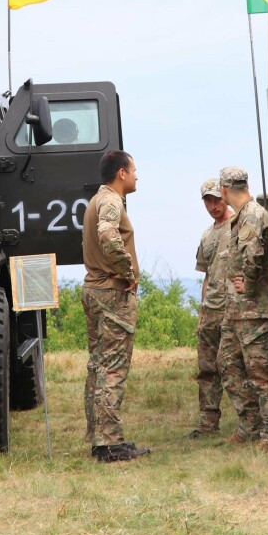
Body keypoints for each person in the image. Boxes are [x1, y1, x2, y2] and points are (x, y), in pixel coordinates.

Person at [81, 149, 150, 463]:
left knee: (97, 365)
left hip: (94, 290)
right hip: (111, 294)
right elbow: (108, 236)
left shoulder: (96, 201)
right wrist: (128, 272)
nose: (137, 175)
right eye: (134, 169)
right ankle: (109, 443)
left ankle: (97, 436)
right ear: (121, 172)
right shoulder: (110, 201)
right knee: (113, 368)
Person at [216, 165, 268, 449]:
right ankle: (251, 422)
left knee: (261, 370)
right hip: (239, 309)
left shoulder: (252, 215)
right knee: (228, 363)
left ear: (223, 190)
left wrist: (247, 281)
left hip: (254, 308)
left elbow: (253, 253)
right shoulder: (245, 215)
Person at [190, 178, 232, 438]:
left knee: (235, 368)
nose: (213, 205)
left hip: (234, 310)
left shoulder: (239, 225)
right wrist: (203, 309)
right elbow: (206, 275)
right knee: (207, 369)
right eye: (208, 201)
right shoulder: (207, 235)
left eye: (217, 199)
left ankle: (250, 421)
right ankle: (208, 423)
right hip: (211, 310)